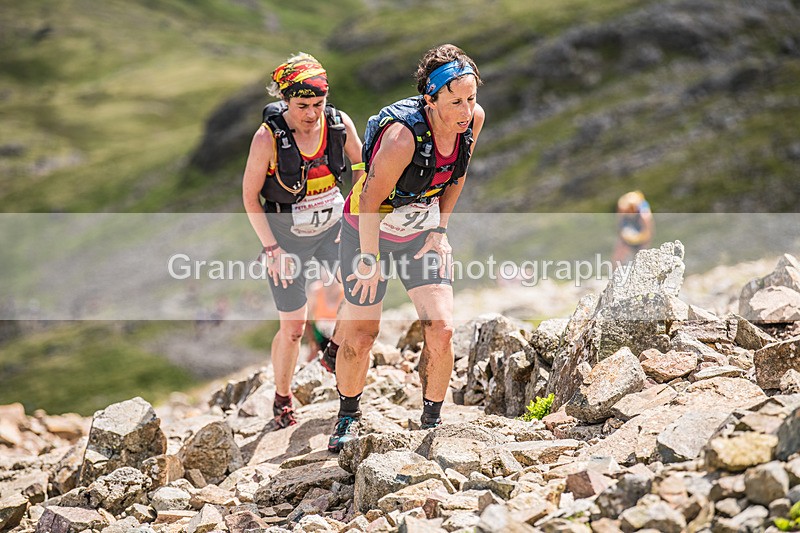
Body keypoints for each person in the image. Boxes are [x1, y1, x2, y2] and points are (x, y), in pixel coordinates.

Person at [326, 44, 485, 452]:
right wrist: (367, 259)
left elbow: (457, 175)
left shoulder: (472, 121)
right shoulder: (402, 138)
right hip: (368, 230)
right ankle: (347, 415)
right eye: (455, 101)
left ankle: (431, 421)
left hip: (420, 234)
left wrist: (441, 230)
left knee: (442, 327)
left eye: (471, 98)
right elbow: (367, 201)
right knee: (363, 335)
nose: (466, 110)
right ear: (430, 100)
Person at [242, 53, 364, 429]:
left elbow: (363, 172)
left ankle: (331, 351)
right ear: (284, 100)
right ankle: (282, 396)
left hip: (332, 229)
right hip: (285, 237)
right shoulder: (268, 138)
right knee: (293, 327)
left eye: (318, 104)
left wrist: (360, 221)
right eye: (302, 106)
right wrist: (272, 250)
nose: (311, 114)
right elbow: (250, 197)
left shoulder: (339, 124)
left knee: (359, 291)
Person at [304, 269, 345, 362]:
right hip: (321, 336)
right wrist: (313, 345)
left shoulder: (345, 293)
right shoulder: (316, 291)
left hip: (341, 336)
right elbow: (306, 319)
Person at [612, 190, 654, 265]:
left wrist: (646, 235)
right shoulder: (623, 206)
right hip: (629, 233)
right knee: (619, 255)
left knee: (641, 254)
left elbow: (647, 222)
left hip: (641, 234)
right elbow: (620, 223)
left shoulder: (643, 207)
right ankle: (615, 272)